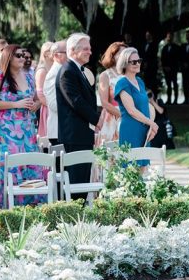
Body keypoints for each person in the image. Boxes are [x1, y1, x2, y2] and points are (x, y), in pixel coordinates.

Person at [0, 45, 44, 205]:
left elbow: (37, 99)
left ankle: (28, 204)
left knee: (28, 161)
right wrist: (16, 104)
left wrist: (35, 105)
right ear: (8, 58)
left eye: (24, 55)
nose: (22, 58)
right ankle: (5, 204)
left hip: (26, 128)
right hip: (5, 130)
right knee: (9, 164)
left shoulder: (29, 77)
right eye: (18, 55)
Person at [56, 33, 102, 187]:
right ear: (73, 51)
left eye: (90, 48)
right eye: (85, 49)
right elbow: (76, 101)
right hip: (74, 135)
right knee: (76, 182)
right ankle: (74, 211)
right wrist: (97, 120)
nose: (90, 52)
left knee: (83, 180)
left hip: (81, 134)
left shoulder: (78, 70)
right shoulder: (68, 71)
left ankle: (79, 210)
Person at [112, 47, 157, 166]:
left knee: (143, 166)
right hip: (131, 129)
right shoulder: (122, 83)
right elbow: (131, 110)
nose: (137, 64)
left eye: (139, 61)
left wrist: (150, 124)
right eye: (133, 62)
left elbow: (146, 105)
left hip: (144, 129)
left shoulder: (140, 81)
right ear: (125, 64)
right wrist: (151, 123)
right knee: (130, 169)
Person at [95, 41, 124, 147]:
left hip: (130, 115)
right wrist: (123, 115)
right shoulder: (105, 75)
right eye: (120, 53)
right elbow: (104, 103)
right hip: (112, 117)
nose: (123, 56)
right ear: (112, 55)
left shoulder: (129, 74)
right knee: (110, 153)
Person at [34, 41, 54, 142]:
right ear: (46, 53)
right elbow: (40, 94)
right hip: (48, 108)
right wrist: (53, 107)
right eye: (53, 50)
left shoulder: (54, 68)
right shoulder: (42, 70)